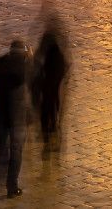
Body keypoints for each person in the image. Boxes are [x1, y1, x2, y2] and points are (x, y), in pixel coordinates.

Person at [0, 39, 31, 198]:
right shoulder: (24, 67)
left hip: (0, 115)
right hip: (17, 117)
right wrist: (30, 57)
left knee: (2, 147)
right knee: (16, 150)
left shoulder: (0, 65)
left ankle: (1, 178)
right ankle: (11, 186)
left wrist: (1, 56)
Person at [33, 23, 69, 156]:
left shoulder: (44, 56)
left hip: (46, 92)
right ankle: (53, 133)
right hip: (54, 94)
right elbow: (64, 71)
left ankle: (47, 138)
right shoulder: (59, 56)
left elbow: (36, 70)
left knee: (45, 113)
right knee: (53, 113)